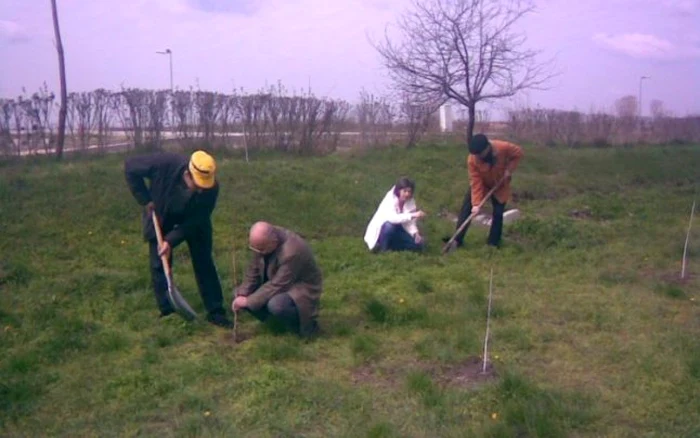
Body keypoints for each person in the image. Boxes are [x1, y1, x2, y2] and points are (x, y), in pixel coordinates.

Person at [124, 150, 233, 328]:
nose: (200, 190)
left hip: (194, 220)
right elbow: (130, 167)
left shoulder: (211, 189)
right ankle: (168, 311)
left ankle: (215, 311)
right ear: (186, 174)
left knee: (204, 261)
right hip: (161, 213)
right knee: (159, 263)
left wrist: (171, 240)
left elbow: (196, 221)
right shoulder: (163, 162)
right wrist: (145, 199)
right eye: (197, 185)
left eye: (203, 187)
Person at [232, 222, 323, 337]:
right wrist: (242, 293)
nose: (259, 253)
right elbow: (253, 271)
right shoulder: (264, 241)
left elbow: (278, 284)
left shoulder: (292, 252)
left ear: (273, 243)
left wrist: (248, 301)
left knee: (277, 305)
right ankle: (274, 323)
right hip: (276, 279)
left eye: (262, 250)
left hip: (298, 287)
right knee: (239, 294)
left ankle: (305, 326)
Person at [446, 134, 523, 249]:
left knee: (498, 214)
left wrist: (509, 170)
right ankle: (457, 240)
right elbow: (475, 181)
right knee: (466, 209)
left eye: (479, 154)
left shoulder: (502, 147)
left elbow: (518, 153)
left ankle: (492, 244)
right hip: (482, 184)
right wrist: (476, 204)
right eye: (475, 155)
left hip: (500, 185)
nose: (477, 157)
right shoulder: (472, 159)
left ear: (487, 148)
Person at [364, 177, 426, 252]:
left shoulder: (410, 201)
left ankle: (392, 245)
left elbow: (409, 222)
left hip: (398, 229)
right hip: (383, 229)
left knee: (418, 245)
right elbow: (392, 218)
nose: (407, 194)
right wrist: (413, 215)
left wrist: (415, 233)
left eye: (409, 192)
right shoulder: (390, 198)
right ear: (399, 191)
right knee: (389, 227)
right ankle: (383, 248)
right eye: (405, 191)